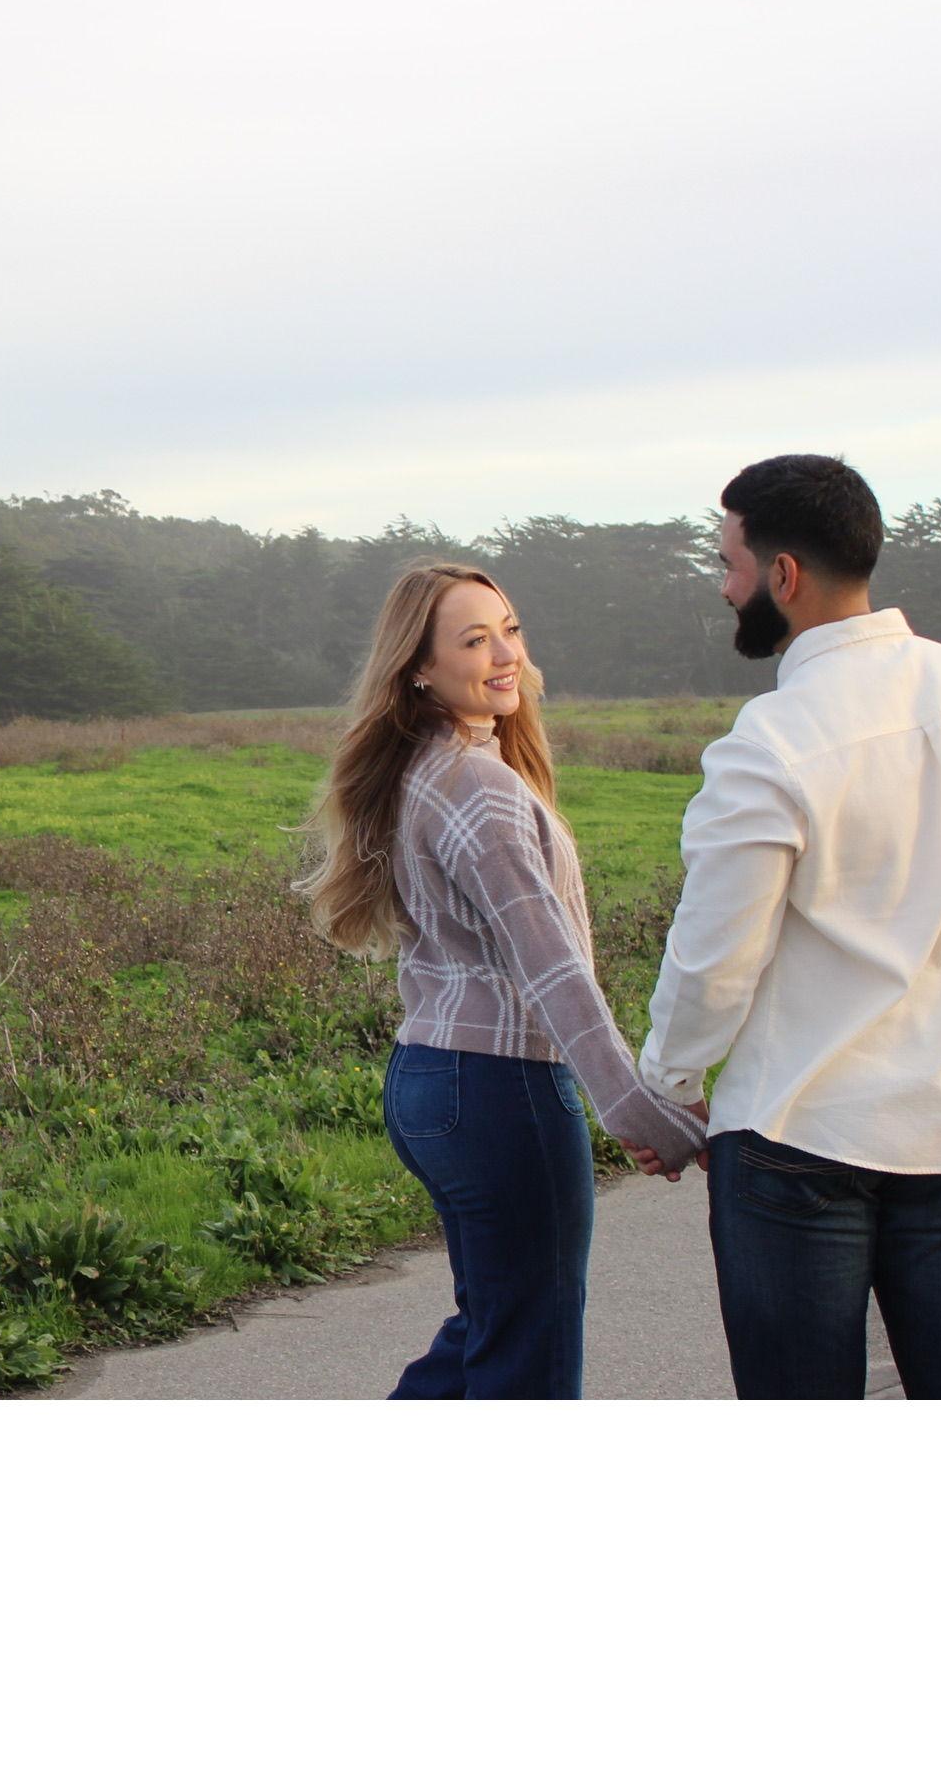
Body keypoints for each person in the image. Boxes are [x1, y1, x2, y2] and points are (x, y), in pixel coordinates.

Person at [638, 454, 941, 1400]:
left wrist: (669, 1086)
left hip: (795, 1135)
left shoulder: (771, 739)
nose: (723, 588)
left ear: (783, 575)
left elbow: (716, 953)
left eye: (728, 564)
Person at [298, 560, 706, 1399]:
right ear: (419, 666)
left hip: (433, 1078)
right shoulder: (476, 786)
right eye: (474, 640)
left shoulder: (431, 766)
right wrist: (636, 1109)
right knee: (528, 1355)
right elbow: (547, 963)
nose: (504, 653)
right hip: (497, 1088)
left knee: (493, 1328)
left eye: (509, 630)